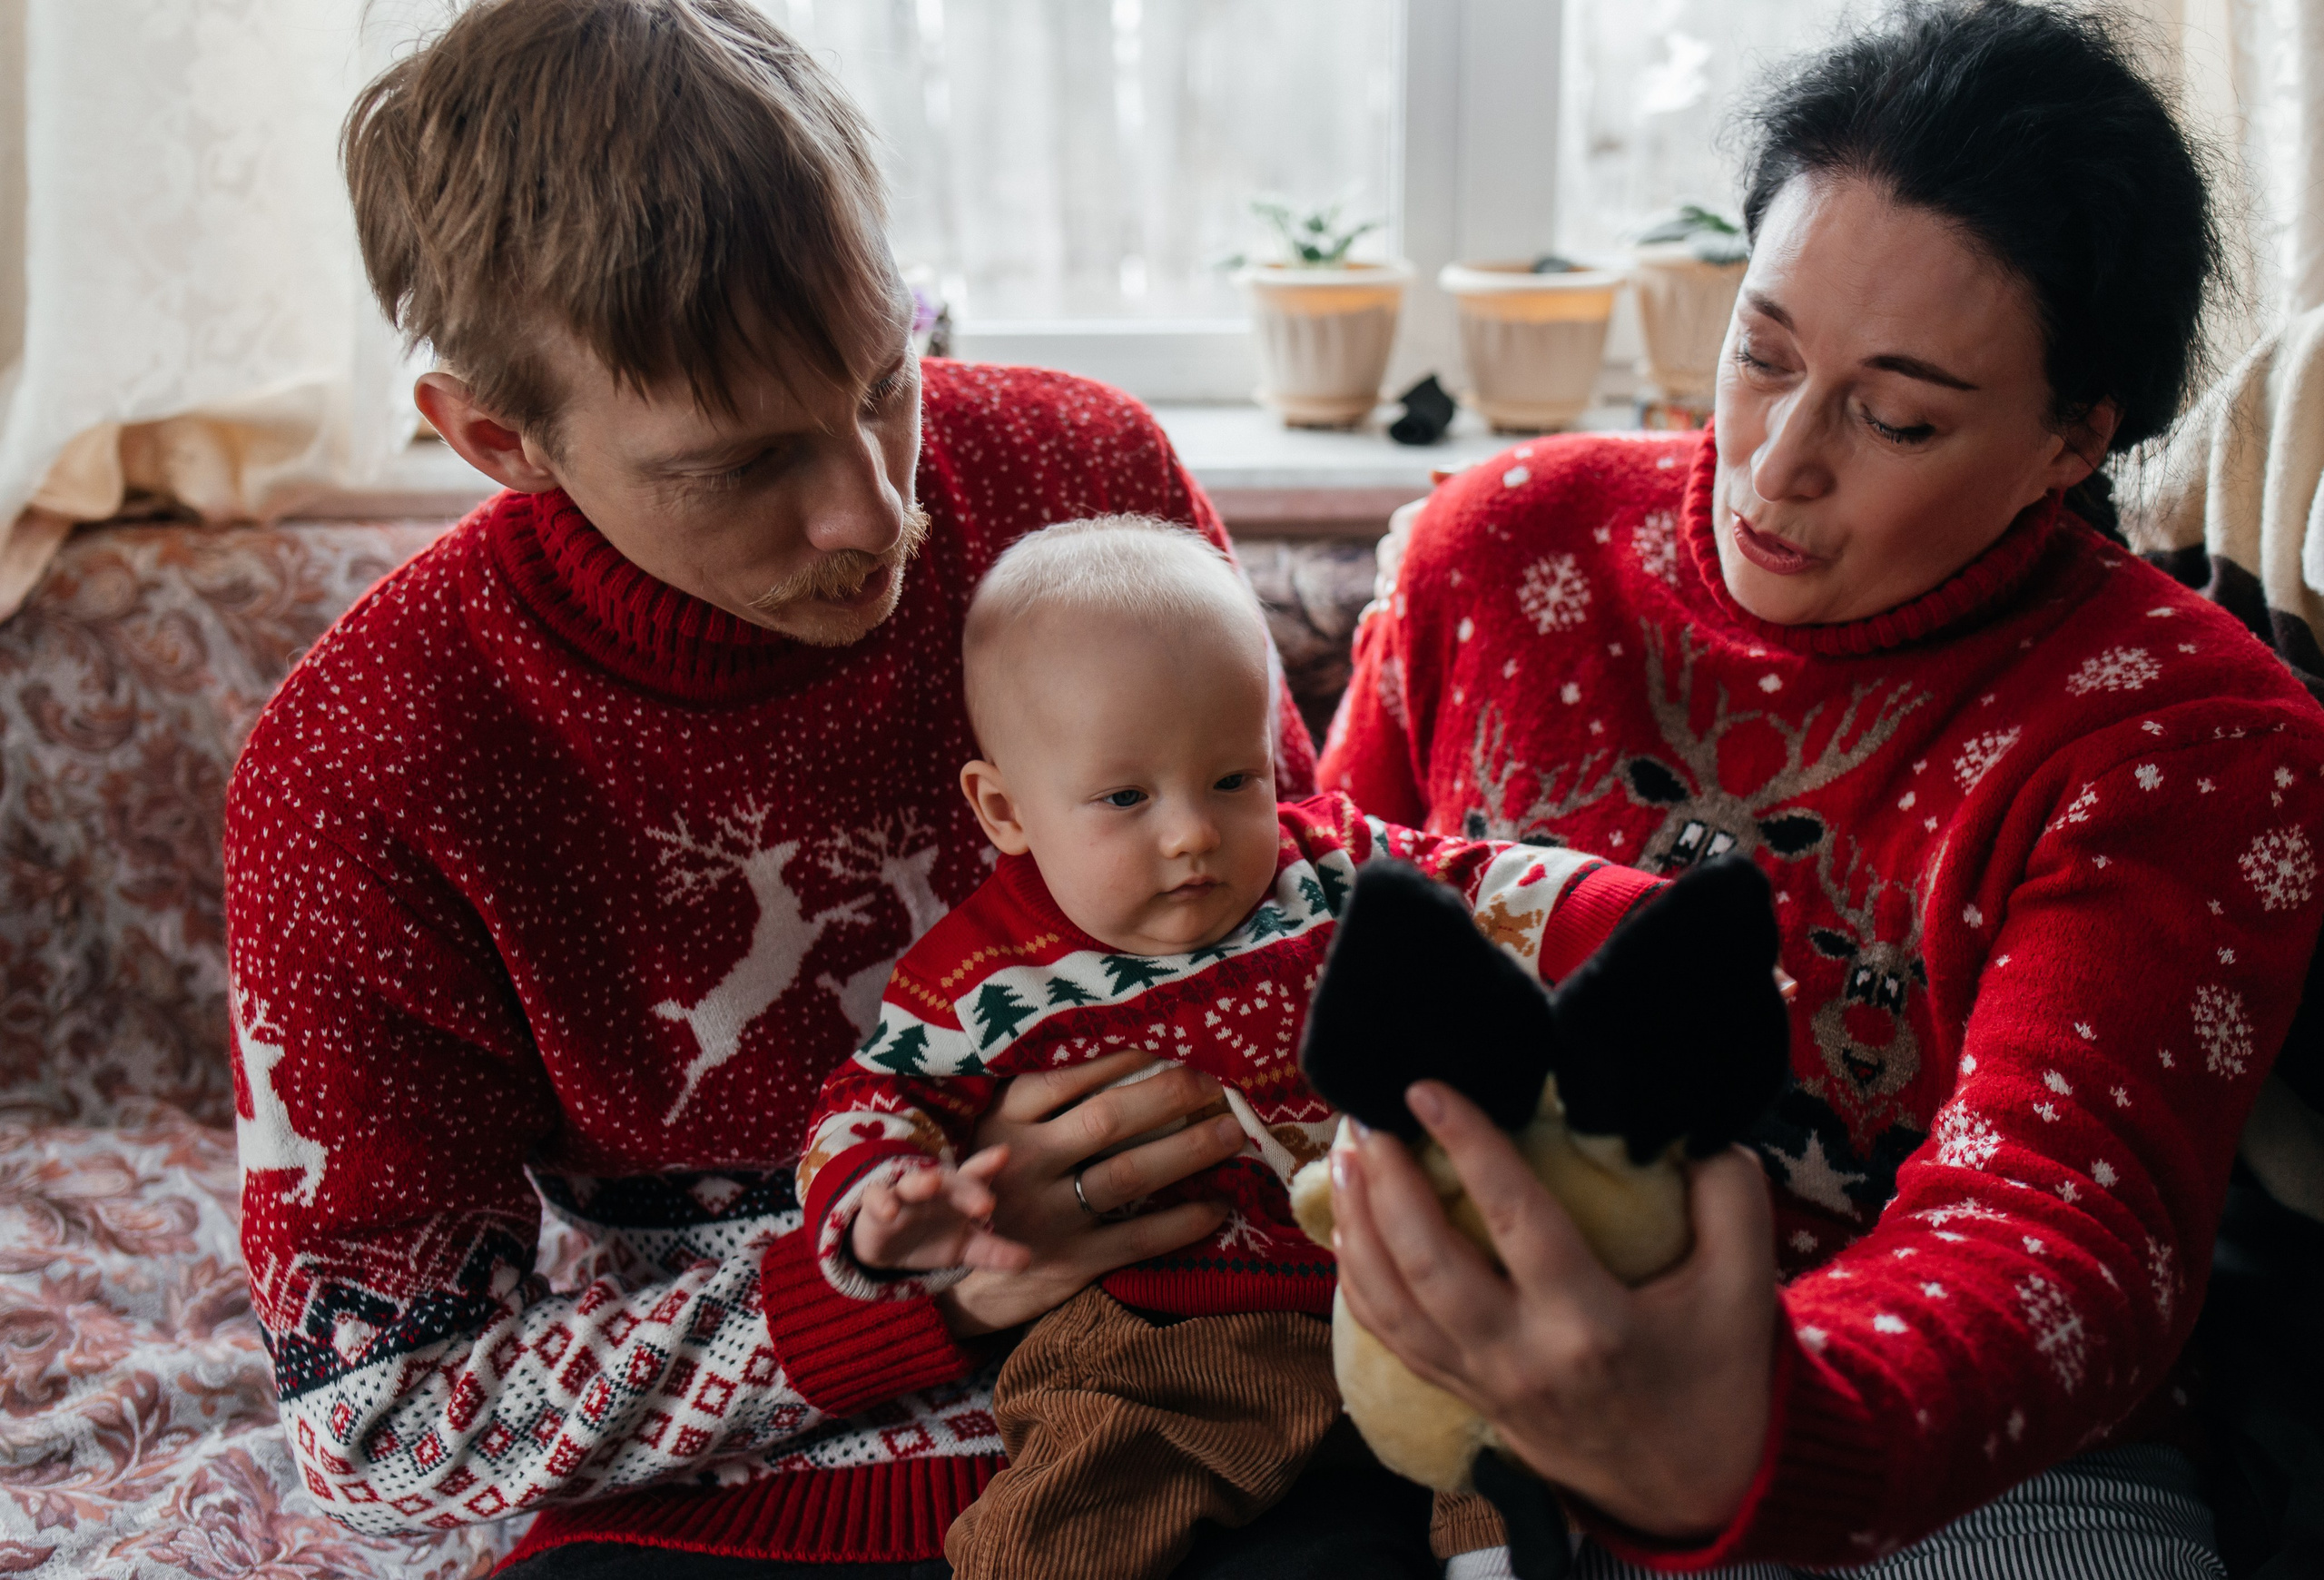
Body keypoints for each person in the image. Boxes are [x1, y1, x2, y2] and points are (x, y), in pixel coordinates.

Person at [219, 3, 1381, 1574]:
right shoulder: (364, 763)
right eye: (740, 465)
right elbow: (383, 1424)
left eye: (888, 374)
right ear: (500, 438)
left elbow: (1308, 930)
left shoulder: (1082, 482)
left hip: (1249, 1409)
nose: (874, 509)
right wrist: (902, 1294)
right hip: (743, 1515)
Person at [1316, 2, 2324, 1574]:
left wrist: (1742, 1431)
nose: (1778, 462)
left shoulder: (2186, 730)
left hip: (2003, 1468)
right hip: (1488, 1422)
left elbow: (2068, 1225)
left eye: (1896, 415)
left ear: (2074, 440)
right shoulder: (1501, 551)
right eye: (1761, 351)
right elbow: (1296, 951)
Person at [799, 516, 1670, 1579]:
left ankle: (1500, 1558)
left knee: (1527, 1403)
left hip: (1397, 1280)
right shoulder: (981, 976)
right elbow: (873, 1095)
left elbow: (1495, 885)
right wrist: (886, 1204)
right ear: (1005, 809)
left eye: (1233, 779)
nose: (1192, 834)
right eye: (1126, 798)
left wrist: (1654, 935)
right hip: (1147, 1339)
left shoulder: (1327, 869)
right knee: (1056, 1521)